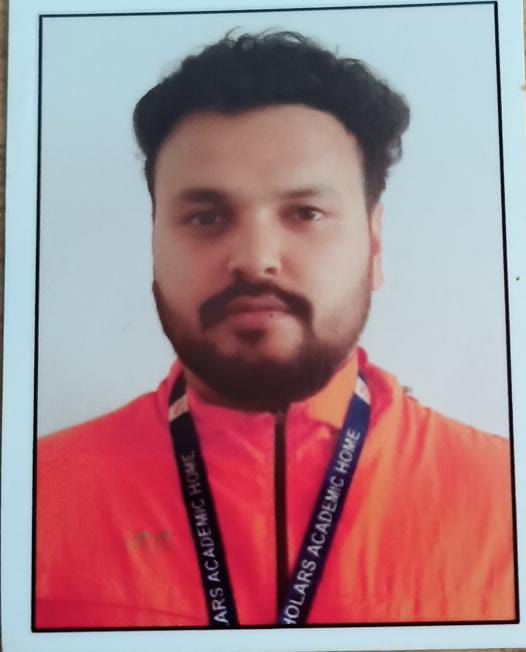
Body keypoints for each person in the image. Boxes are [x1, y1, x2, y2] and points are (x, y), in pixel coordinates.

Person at [36, 30, 515, 629]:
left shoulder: (506, 499)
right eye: (206, 217)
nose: (255, 258)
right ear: (154, 243)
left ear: (374, 244)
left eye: (305, 213)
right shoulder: (35, 497)